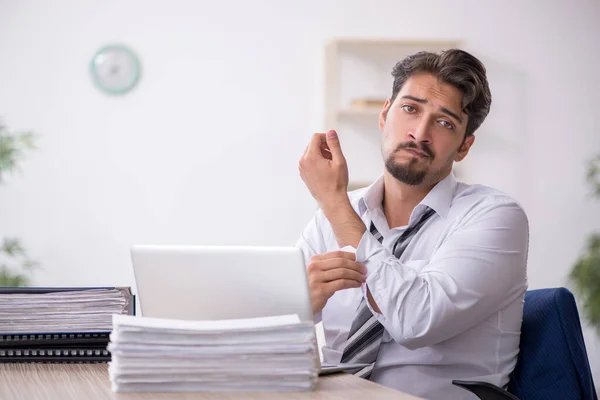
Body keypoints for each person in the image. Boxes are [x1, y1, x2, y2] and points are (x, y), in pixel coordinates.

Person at [296, 49, 529, 400]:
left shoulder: (495, 216)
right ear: (385, 114)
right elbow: (266, 338)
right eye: (410, 109)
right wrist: (300, 304)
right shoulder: (332, 218)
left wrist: (334, 203)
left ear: (464, 146)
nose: (420, 133)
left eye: (445, 123)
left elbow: (415, 321)